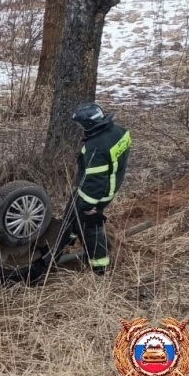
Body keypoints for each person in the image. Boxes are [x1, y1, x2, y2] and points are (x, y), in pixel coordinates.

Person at [62, 102, 132, 275]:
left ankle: (100, 268)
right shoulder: (120, 131)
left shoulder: (95, 148)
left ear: (89, 124)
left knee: (90, 226)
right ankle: (63, 242)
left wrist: (89, 206)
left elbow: (96, 183)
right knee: (72, 208)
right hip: (105, 183)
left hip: (99, 194)